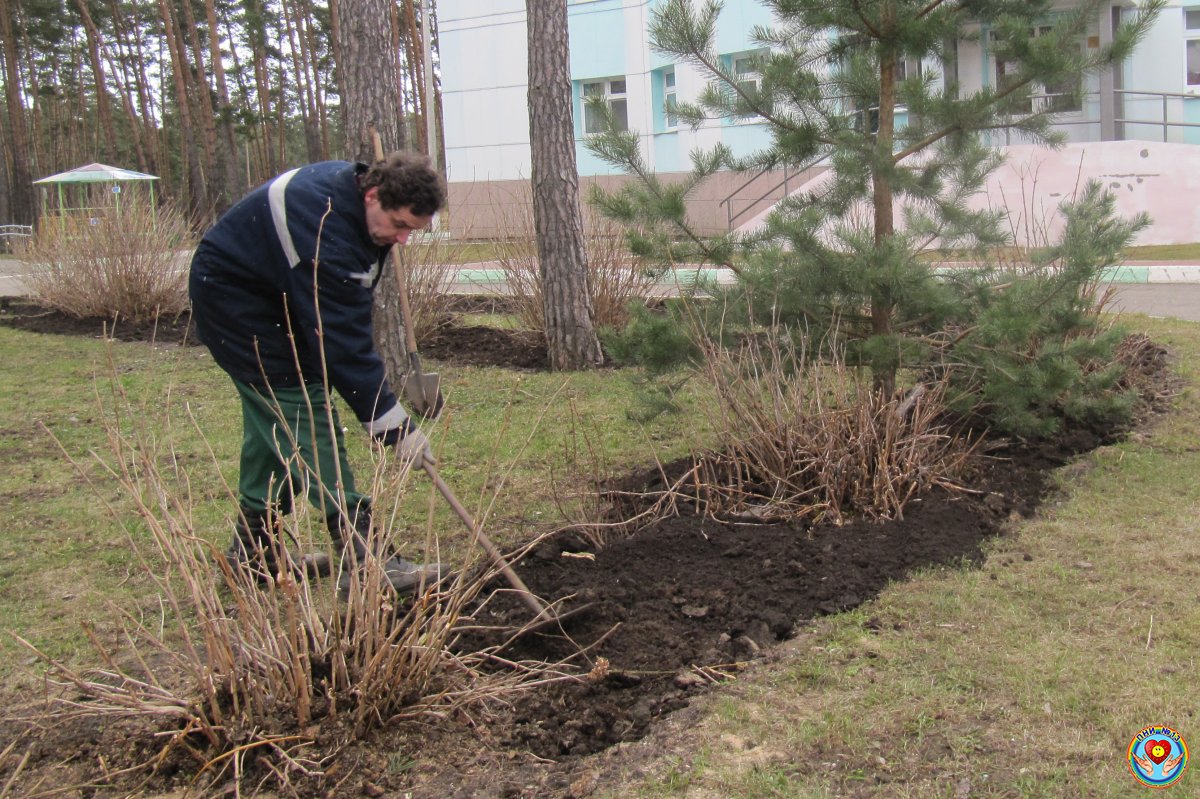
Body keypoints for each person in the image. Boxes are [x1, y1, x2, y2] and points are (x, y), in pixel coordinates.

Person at [188, 153, 445, 596]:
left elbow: (346, 324)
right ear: (372, 195)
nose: (403, 239)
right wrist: (394, 427)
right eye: (400, 224)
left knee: (276, 423)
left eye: (412, 230)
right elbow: (343, 343)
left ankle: (252, 553)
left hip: (276, 297)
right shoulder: (325, 231)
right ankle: (363, 558)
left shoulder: (356, 208)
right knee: (306, 413)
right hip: (238, 305)